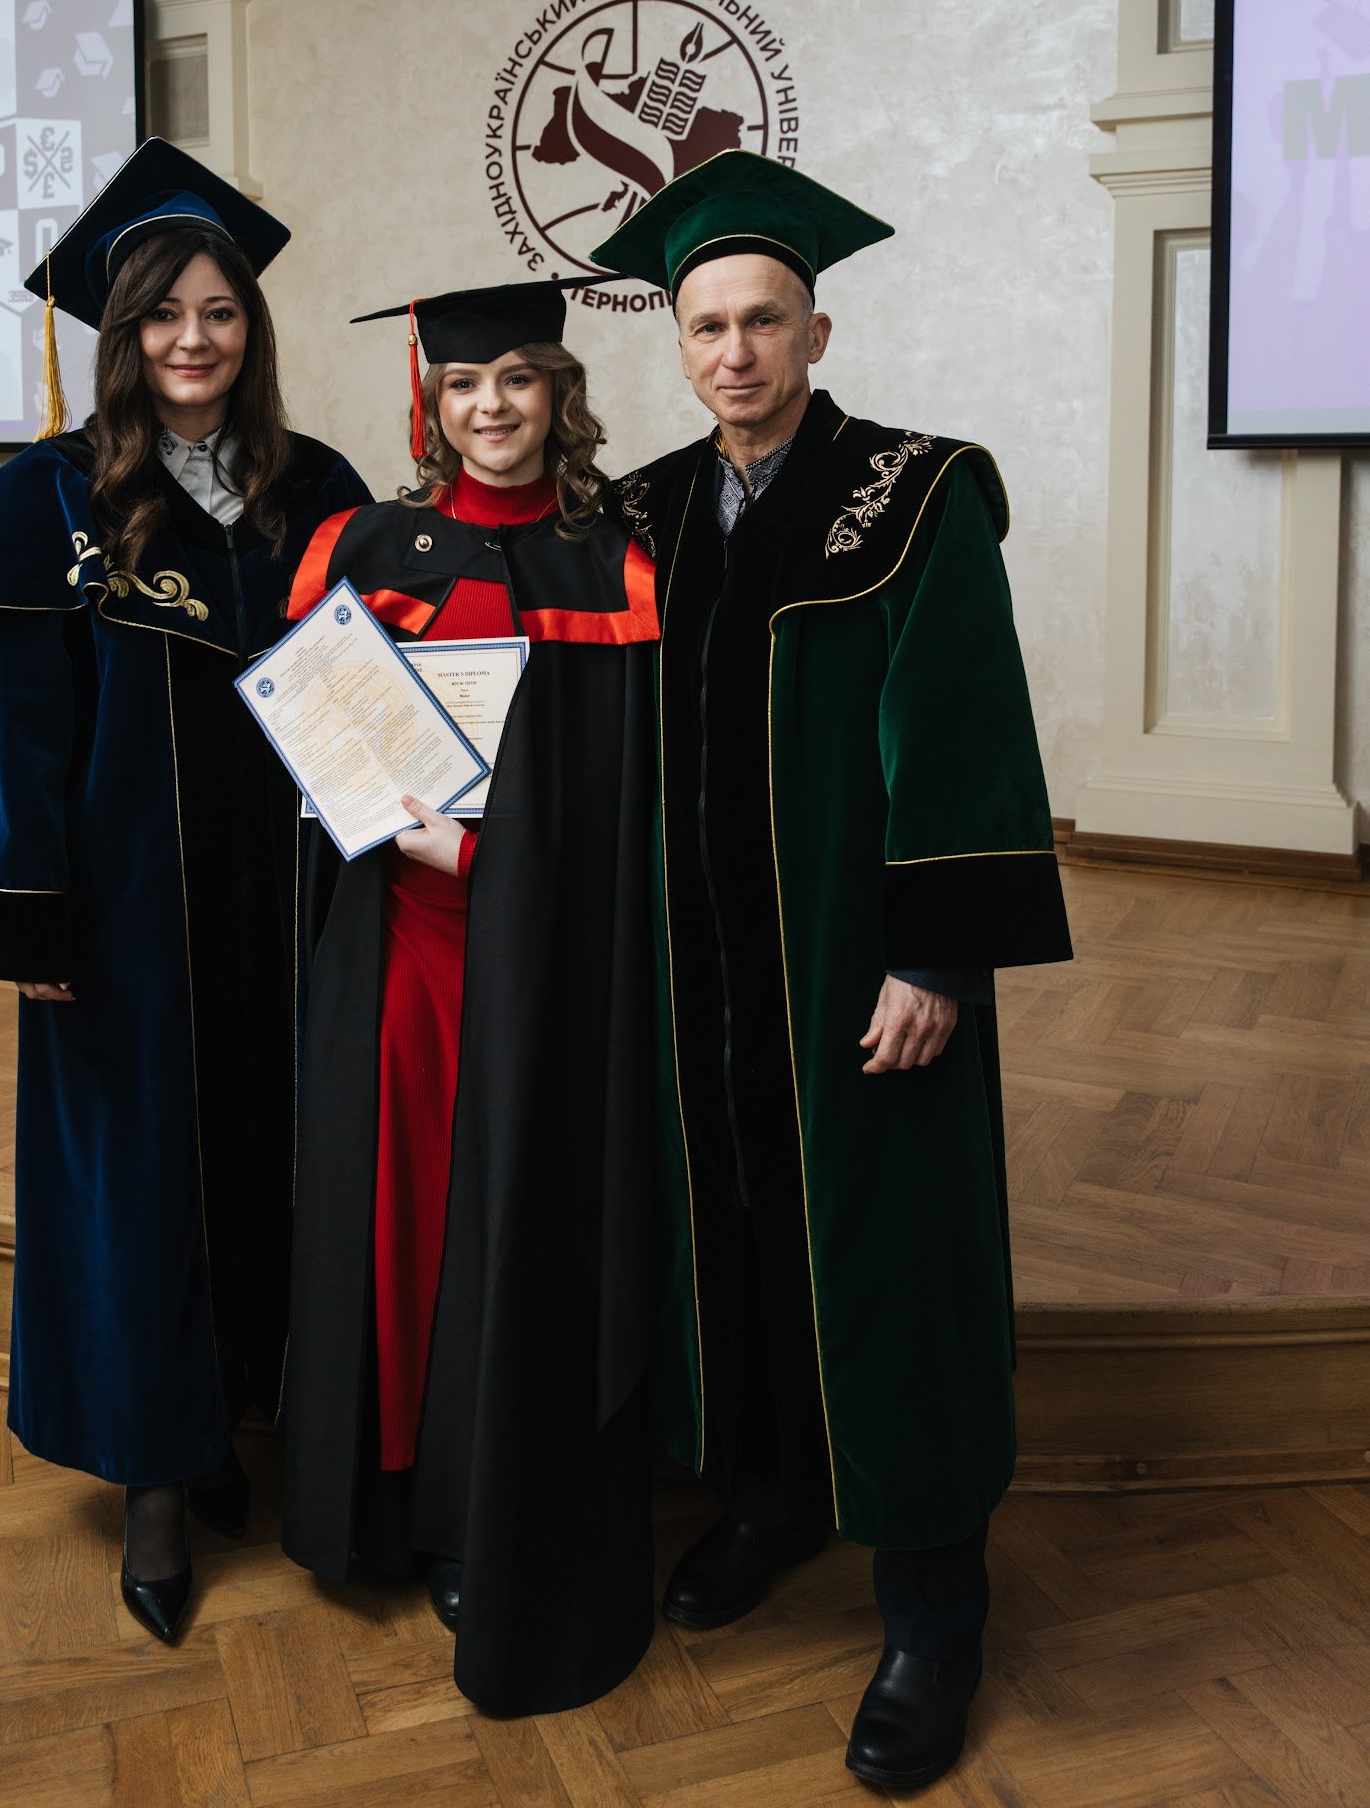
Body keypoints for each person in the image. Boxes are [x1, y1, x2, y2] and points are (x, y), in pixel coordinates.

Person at [591, 154, 1072, 1793]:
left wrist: (938, 954)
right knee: (730, 1235)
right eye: (705, 325)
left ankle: (934, 1607)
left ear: (817, 331)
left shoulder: (917, 496)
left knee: (892, 1261)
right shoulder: (644, 514)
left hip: (855, 974)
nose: (734, 352)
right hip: (699, 978)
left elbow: (963, 729)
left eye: (763, 321)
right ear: (677, 343)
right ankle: (773, 1498)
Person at [0, 139, 369, 1646]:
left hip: (290, 900)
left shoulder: (313, 488)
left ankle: (241, 1413)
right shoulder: (51, 496)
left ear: (252, 327)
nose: (194, 338)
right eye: (164, 313)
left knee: (269, 1152)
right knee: (138, 1183)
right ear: (121, 335)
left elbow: (363, 688)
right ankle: (155, 1482)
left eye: (220, 311)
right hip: (124, 914)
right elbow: (16, 726)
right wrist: (25, 911)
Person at [280, 280, 660, 1717]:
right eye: (462, 385)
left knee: (503, 1225)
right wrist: (408, 833)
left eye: (516, 379)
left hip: (547, 957)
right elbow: (325, 736)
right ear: (428, 405)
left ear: (560, 391)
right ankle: (376, 1497)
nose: (490, 407)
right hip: (398, 941)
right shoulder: (363, 546)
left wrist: (493, 861)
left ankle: (469, 1505)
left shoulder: (612, 561)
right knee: (395, 1218)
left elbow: (624, 797)